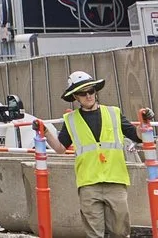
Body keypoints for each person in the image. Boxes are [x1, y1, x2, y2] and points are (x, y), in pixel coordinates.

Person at [50, 68, 142, 237]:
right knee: (94, 234)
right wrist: (45, 133)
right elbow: (60, 148)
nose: (88, 96)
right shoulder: (71, 120)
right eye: (83, 93)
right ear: (75, 97)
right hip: (89, 183)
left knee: (120, 231)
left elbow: (137, 135)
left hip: (115, 179)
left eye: (91, 91)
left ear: (95, 91)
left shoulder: (113, 113)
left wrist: (145, 123)